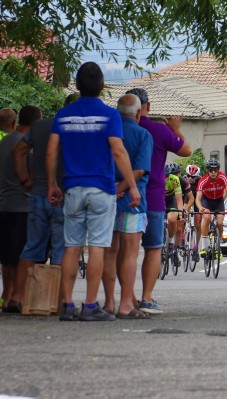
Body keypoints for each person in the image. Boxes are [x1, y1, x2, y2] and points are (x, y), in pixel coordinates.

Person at [47, 62, 140, 321]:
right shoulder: (110, 116)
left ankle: (66, 304)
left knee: (71, 246)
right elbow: (118, 151)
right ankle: (89, 305)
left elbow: (52, 150)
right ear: (102, 86)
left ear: (76, 86)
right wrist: (132, 186)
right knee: (98, 247)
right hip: (101, 190)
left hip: (73, 189)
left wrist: (54, 183)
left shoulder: (63, 115)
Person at [7, 95, 79, 313]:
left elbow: (18, 151)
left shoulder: (39, 126)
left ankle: (17, 298)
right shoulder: (77, 129)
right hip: (65, 195)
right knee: (61, 251)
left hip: (38, 194)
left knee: (31, 247)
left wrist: (24, 180)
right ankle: (58, 303)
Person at [126, 87, 191, 315]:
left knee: (127, 251)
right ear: (148, 106)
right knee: (153, 248)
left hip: (124, 197)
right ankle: (147, 297)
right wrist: (176, 130)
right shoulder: (159, 130)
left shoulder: (119, 129)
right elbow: (186, 151)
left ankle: (128, 298)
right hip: (153, 197)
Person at [101, 94, 153, 319]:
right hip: (133, 200)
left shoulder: (106, 132)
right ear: (139, 112)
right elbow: (140, 169)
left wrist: (114, 189)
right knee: (130, 253)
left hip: (106, 197)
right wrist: (124, 187)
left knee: (108, 252)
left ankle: (108, 302)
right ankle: (125, 304)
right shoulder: (143, 134)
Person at [0, 106, 41, 313]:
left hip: (4, 206)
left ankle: (5, 295)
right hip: (23, 207)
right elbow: (32, 178)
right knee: (21, 255)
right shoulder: (29, 146)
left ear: (17, 122)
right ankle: (18, 295)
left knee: (7, 256)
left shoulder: (3, 143)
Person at [196, 158, 227, 258]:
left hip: (218, 201)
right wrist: (200, 207)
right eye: (210, 170)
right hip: (206, 201)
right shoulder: (202, 180)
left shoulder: (222, 177)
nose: (213, 172)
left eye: (215, 170)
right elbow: (198, 198)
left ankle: (217, 245)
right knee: (207, 218)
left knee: (220, 222)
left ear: (218, 170)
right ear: (207, 170)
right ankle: (204, 247)